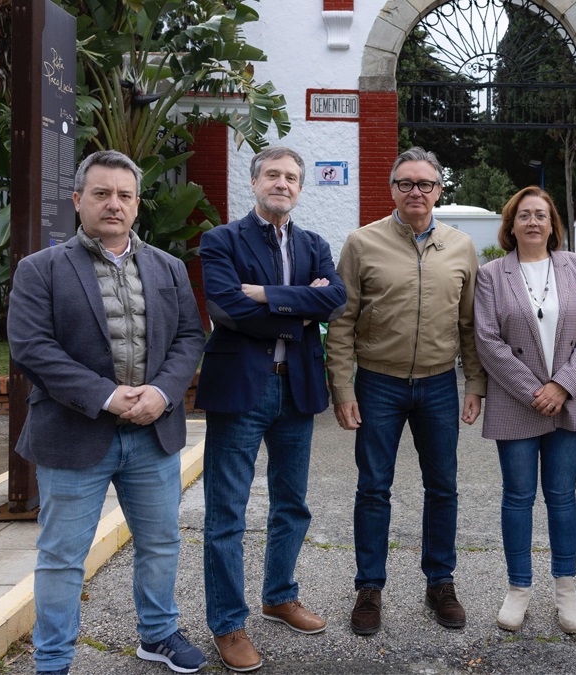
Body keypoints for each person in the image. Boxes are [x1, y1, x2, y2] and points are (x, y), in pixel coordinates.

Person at [8, 150, 207, 674]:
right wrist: (105, 395)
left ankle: (158, 634)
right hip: (73, 434)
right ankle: (53, 660)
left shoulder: (167, 268)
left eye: (124, 195)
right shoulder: (40, 269)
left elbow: (190, 337)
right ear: (78, 200)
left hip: (152, 435)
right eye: (101, 193)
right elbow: (32, 347)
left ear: (137, 204)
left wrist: (163, 392)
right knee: (62, 556)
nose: (113, 204)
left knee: (160, 543)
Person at [195, 147, 347, 671]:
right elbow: (227, 308)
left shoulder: (314, 244)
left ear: (300, 188)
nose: (282, 183)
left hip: (296, 390)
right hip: (242, 391)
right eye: (273, 175)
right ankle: (228, 624)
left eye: (292, 178)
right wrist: (299, 307)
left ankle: (279, 596)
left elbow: (335, 300)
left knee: (292, 504)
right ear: (254, 182)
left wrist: (265, 294)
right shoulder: (221, 240)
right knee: (226, 513)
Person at [325, 146, 487, 636]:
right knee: (374, 487)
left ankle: (440, 583)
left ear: (439, 190)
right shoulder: (361, 243)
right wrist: (342, 387)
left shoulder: (461, 246)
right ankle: (369, 588)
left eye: (425, 184)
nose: (416, 191)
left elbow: (469, 323)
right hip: (378, 383)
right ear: (392, 189)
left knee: (443, 486)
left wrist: (475, 382)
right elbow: (342, 321)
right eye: (406, 183)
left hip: (439, 384)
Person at [473, 186, 576, 634]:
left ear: (553, 225)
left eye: (541, 215)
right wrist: (536, 390)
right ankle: (519, 589)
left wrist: (562, 386)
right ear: (510, 226)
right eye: (524, 215)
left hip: (568, 398)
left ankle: (566, 590)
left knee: (562, 496)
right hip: (517, 399)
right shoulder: (491, 274)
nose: (533, 222)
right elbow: (487, 340)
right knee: (518, 496)